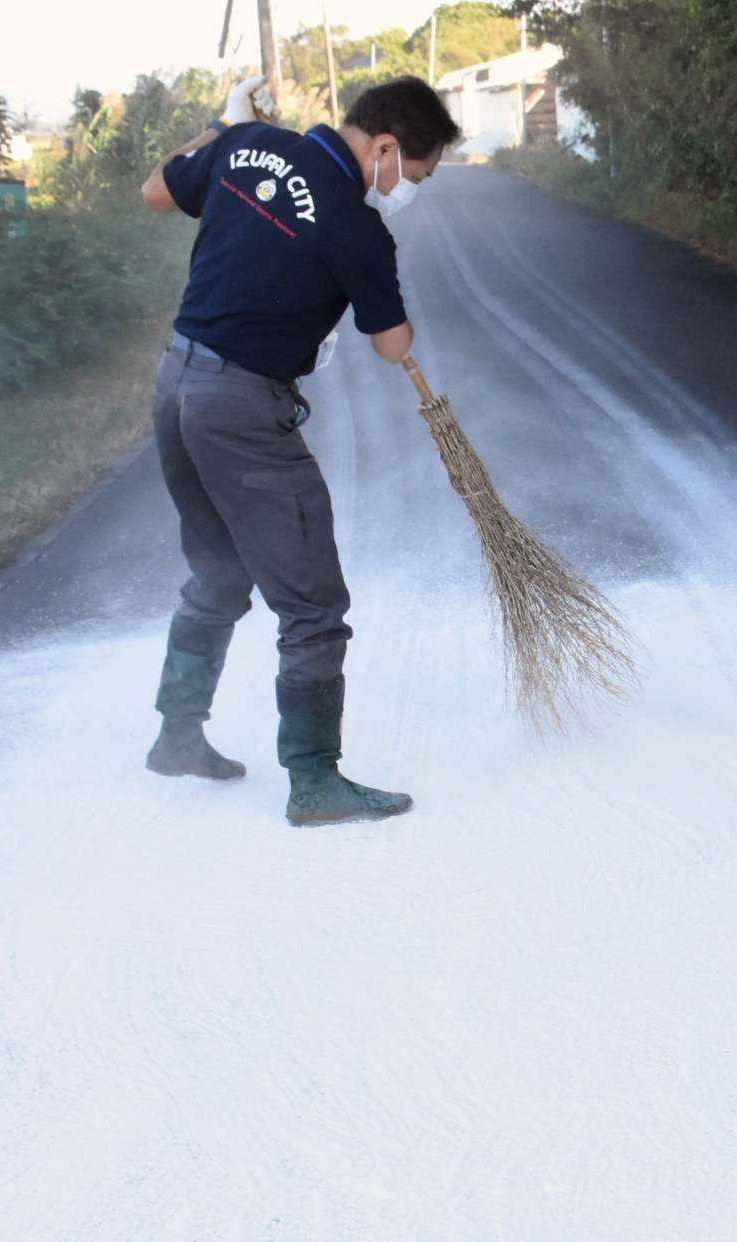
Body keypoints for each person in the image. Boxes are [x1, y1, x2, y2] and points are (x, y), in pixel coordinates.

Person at [137, 75, 459, 826]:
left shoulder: (248, 144)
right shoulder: (356, 226)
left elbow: (155, 191)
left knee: (219, 571)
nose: (407, 191)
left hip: (176, 385)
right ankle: (314, 782)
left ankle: (176, 737)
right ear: (384, 147)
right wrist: (372, 273)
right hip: (241, 409)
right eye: (413, 175)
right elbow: (391, 345)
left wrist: (222, 127)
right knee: (313, 606)